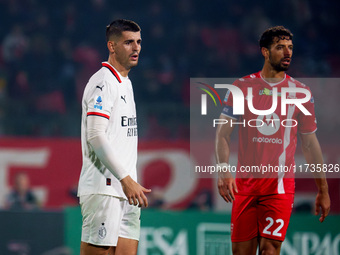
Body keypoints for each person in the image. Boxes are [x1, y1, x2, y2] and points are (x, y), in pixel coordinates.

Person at [215, 26, 331, 255]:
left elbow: (310, 143)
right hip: (245, 187)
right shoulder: (242, 87)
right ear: (265, 52)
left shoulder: (301, 92)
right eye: (280, 47)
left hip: (279, 188)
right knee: (241, 252)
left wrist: (323, 189)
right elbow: (222, 134)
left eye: (290, 47)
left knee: (270, 250)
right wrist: (223, 170)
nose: (287, 52)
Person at [77, 19, 151, 255]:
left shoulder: (125, 83)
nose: (136, 48)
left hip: (126, 191)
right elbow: (95, 135)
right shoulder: (103, 82)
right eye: (129, 42)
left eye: (138, 42)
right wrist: (126, 179)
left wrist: (129, 183)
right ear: (112, 46)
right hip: (105, 188)